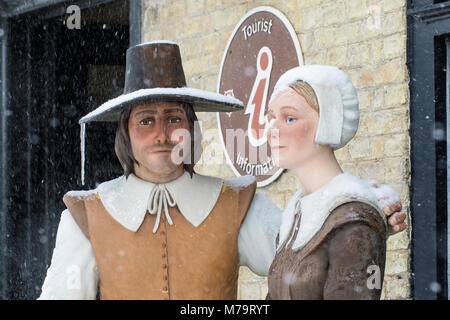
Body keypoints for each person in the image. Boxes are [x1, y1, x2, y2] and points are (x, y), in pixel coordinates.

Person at [38, 42, 405, 299]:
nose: (163, 134)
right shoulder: (86, 215)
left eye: (174, 118)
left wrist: (368, 207)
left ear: (192, 129)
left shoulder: (235, 205)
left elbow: (309, 248)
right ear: (126, 135)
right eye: (146, 121)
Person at [266, 65, 393, 299]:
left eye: (289, 118)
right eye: (271, 118)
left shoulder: (352, 221)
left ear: (328, 124)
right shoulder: (294, 218)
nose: (272, 129)